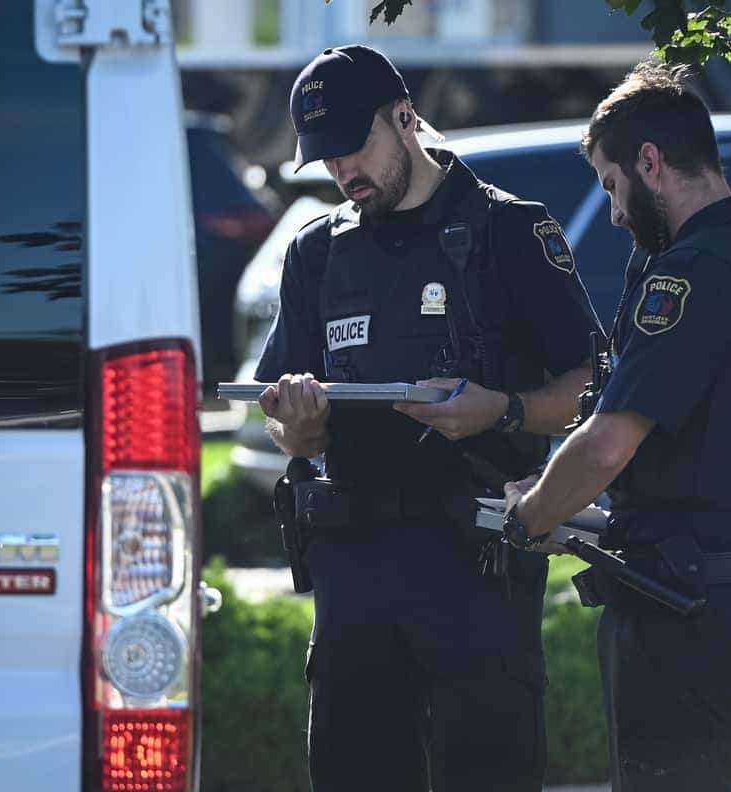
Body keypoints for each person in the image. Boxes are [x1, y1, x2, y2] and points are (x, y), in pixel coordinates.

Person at [255, 44, 604, 792]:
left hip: (475, 560)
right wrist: (300, 424)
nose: (343, 170)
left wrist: (502, 411)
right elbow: (281, 422)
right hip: (355, 566)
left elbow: (593, 386)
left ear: (405, 117)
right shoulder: (317, 253)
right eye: (326, 158)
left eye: (355, 146)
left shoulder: (509, 230)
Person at [501, 61, 731, 792]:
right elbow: (709, 464)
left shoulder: (691, 277)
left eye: (611, 186)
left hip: (682, 614)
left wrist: (532, 516)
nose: (612, 213)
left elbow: (609, 442)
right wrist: (583, 512)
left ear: (650, 162)